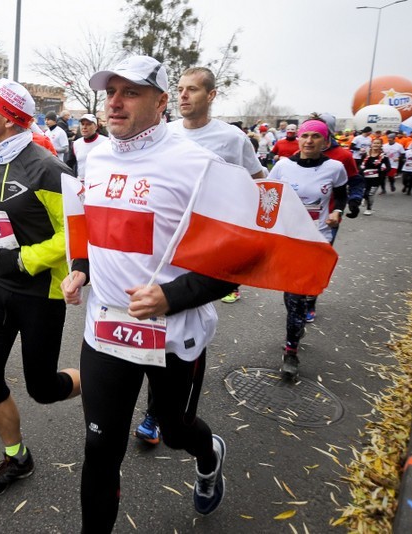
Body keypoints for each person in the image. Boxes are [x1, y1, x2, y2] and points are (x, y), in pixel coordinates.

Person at [61, 56, 234, 532]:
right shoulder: (93, 155)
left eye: (130, 92)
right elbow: (98, 234)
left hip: (174, 333)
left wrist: (170, 297)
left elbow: (235, 267)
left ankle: (209, 452)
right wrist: (80, 270)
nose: (114, 102)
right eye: (109, 92)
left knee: (177, 431)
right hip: (106, 329)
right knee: (100, 448)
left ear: (162, 102)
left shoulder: (199, 165)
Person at [0, 78, 81, 499]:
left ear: (5, 118)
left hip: (41, 294)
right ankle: (17, 456)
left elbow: (75, 235)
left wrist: (29, 259)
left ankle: (96, 377)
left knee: (41, 388)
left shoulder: (48, 168)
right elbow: (1, 226)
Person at [133, 65, 265, 445]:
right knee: (150, 318)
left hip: (205, 247)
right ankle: (156, 409)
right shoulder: (164, 133)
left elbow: (256, 184)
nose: (184, 96)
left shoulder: (232, 138)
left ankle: (162, 412)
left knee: (182, 320)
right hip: (161, 241)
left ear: (211, 95)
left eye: (193, 89)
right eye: (180, 89)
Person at [267, 119, 347, 379]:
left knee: (299, 294)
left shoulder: (335, 167)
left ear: (325, 142)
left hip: (317, 238)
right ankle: (297, 321)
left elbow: (342, 194)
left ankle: (291, 351)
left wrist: (336, 210)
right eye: (305, 136)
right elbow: (268, 196)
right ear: (297, 139)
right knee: (291, 297)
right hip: (288, 238)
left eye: (315, 136)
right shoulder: (282, 166)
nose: (309, 141)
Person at [359, 138, 390, 215]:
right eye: (374, 143)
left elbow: (388, 167)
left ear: (381, 145)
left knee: (370, 193)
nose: (376, 145)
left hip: (376, 178)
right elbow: (360, 165)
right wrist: (360, 172)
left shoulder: (383, 156)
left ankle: (369, 209)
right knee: (364, 192)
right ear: (371, 144)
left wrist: (381, 172)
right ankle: (365, 198)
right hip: (365, 177)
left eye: (378, 143)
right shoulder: (365, 154)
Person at [72, 113, 107, 183]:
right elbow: (70, 165)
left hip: (99, 183)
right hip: (81, 185)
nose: (84, 127)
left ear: (96, 127)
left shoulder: (106, 142)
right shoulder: (76, 144)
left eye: (88, 124)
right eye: (82, 124)